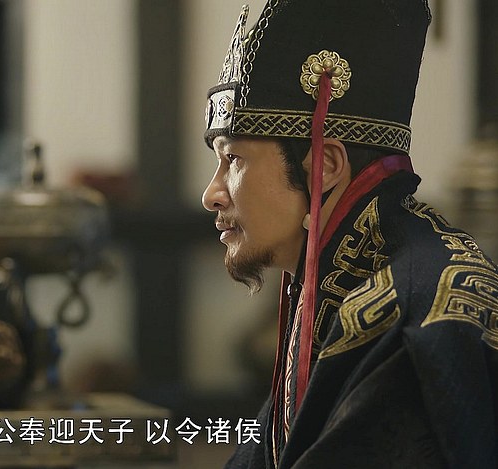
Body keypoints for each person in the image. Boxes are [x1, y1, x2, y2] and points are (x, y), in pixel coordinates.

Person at [200, 1, 498, 468]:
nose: (211, 195)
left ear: (325, 166)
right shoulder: (337, 277)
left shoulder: (408, 312)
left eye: (233, 159)